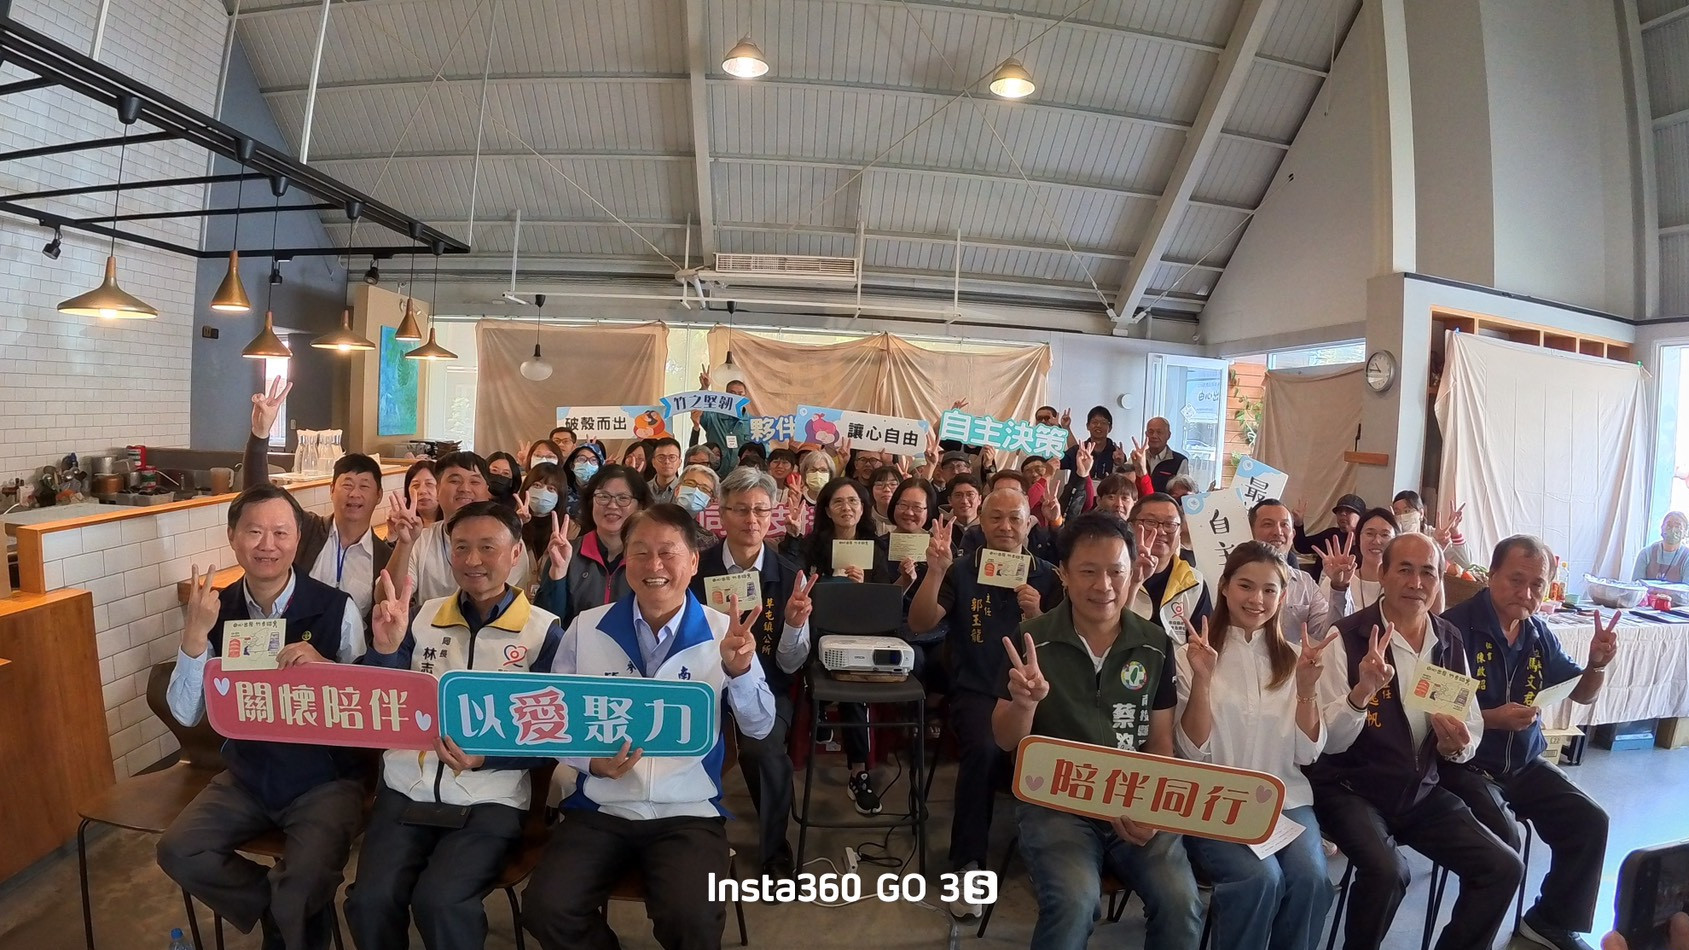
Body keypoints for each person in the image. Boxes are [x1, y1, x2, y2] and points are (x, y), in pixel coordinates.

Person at [522, 505, 776, 950]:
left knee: (692, 920)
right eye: (640, 552)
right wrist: (589, 762)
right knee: (546, 908)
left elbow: (759, 726)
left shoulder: (725, 633)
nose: (654, 565)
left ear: (693, 561)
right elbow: (555, 719)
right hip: (601, 809)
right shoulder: (587, 628)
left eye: (667, 552)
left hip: (688, 813)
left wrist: (739, 671)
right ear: (626, 560)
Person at [157, 485, 368, 950]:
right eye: (254, 532)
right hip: (248, 774)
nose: (267, 545)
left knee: (305, 878)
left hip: (325, 778)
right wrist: (194, 637)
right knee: (179, 849)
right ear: (232, 537)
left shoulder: (336, 607)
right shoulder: (216, 609)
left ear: (298, 539)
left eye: (280, 532)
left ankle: (289, 909)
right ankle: (276, 906)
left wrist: (325, 669)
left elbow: (366, 705)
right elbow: (186, 713)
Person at [347, 502, 563, 950]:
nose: (472, 560)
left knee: (441, 901)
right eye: (460, 547)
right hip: (406, 788)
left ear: (516, 553)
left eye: (487, 547)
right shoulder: (420, 617)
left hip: (490, 798)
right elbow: (379, 706)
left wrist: (487, 757)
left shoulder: (542, 632)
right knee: (369, 900)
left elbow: (555, 735)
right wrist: (384, 650)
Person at [991, 512, 1203, 950]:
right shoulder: (1031, 639)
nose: (1103, 585)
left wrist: (1152, 807)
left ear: (1132, 573)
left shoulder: (1154, 643)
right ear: (1064, 574)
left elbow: (1161, 742)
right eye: (1088, 571)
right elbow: (1005, 740)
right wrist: (1025, 703)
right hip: (1057, 803)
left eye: (1115, 572)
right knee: (1074, 903)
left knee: (1181, 903)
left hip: (1135, 797)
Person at [1306, 532, 1521, 950]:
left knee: (1502, 867)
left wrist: (1457, 747)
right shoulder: (1346, 637)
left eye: (1428, 573)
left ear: (1439, 581)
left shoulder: (1449, 640)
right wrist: (1361, 693)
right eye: (1404, 569)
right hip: (1349, 789)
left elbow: (1469, 724)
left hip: (1419, 790)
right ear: (1382, 574)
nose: (1416, 583)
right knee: (1389, 873)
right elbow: (1328, 744)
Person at [1440, 535, 1621, 950]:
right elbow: (1434, 717)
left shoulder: (1539, 633)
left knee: (1590, 821)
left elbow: (1582, 693)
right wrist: (1492, 719)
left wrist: (1596, 664)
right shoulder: (1453, 629)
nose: (1526, 593)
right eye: (1516, 580)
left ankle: (1549, 921)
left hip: (1524, 764)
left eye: (1537, 584)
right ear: (1491, 576)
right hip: (1465, 766)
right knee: (1504, 845)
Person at [908, 488, 1062, 917]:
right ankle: (968, 863)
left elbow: (1065, 646)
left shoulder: (1049, 576)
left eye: (1015, 518)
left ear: (1029, 524)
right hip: (977, 688)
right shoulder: (961, 570)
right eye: (996, 518)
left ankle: (1063, 857)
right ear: (981, 522)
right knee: (985, 749)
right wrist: (934, 572)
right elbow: (919, 623)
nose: (1005, 527)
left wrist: (1037, 615)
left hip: (1036, 693)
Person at [1174, 542, 1334, 950]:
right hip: (1214, 799)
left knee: (1312, 880)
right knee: (1261, 879)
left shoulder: (1296, 659)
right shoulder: (1191, 655)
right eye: (1245, 585)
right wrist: (1203, 679)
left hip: (1284, 798)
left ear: (1283, 596)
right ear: (1224, 586)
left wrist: (1306, 689)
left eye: (1269, 590)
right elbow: (1192, 751)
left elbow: (1307, 753)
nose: (1257, 599)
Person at [690, 467, 818, 879]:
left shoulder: (789, 575)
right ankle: (687, 839)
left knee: (764, 750)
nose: (751, 520)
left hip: (766, 687)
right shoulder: (695, 568)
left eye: (761, 510)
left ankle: (775, 850)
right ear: (721, 514)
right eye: (740, 510)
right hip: (702, 685)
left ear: (773, 514)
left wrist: (794, 624)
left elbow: (789, 665)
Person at [244, 377, 408, 620]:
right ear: (332, 489)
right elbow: (258, 498)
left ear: (378, 496)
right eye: (347, 484)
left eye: (364, 486)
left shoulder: (383, 555)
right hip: (293, 639)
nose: (354, 494)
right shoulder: (306, 530)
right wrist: (260, 434)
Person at [797, 476, 889, 814]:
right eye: (838, 501)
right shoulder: (812, 546)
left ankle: (858, 773)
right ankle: (819, 701)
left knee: (853, 685)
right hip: (817, 631)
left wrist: (863, 587)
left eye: (853, 501)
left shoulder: (874, 548)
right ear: (826, 509)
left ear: (863, 508)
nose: (846, 508)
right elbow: (798, 589)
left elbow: (883, 603)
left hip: (858, 634)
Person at [402, 451, 533, 603]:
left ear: (488, 491)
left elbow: (505, 603)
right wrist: (403, 544)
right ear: (437, 489)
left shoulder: (508, 541)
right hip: (431, 619)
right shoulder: (420, 540)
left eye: (474, 482)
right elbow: (390, 597)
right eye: (455, 481)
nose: (465, 488)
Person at [536, 463, 651, 627]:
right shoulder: (566, 554)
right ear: (591, 502)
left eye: (623, 498)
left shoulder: (649, 559)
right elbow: (547, 624)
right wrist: (557, 575)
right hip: (576, 643)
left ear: (639, 506)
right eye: (603, 496)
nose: (612, 505)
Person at [1250, 498, 1344, 644]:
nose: (1278, 532)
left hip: (1289, 659)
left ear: (1293, 535)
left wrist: (1339, 587)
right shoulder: (1234, 578)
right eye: (1268, 524)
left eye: (1284, 525)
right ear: (1250, 531)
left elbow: (1328, 632)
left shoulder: (1305, 583)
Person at [1128, 493, 1211, 644]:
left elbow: (1202, 641)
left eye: (1170, 524)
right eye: (1150, 522)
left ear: (1180, 532)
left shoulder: (1193, 582)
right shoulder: (1112, 574)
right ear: (1131, 526)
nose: (1160, 531)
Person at [1321, 508, 1399, 617]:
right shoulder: (1336, 580)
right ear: (1358, 538)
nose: (1377, 541)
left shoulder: (1401, 585)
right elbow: (1324, 625)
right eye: (1370, 533)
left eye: (1385, 535)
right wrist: (1339, 587)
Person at [694, 369, 757, 478]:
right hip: (714, 476)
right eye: (732, 393)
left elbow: (763, 452)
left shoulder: (754, 423)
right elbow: (700, 410)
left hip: (742, 478)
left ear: (745, 397)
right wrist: (704, 388)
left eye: (740, 394)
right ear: (726, 395)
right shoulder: (713, 417)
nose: (736, 397)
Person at [1294, 493, 1364, 580]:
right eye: (1339, 511)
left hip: (1347, 586)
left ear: (1361, 517)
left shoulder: (1365, 541)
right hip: (1319, 585)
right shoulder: (1330, 534)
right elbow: (1301, 546)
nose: (1342, 514)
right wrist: (1298, 523)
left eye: (1348, 511)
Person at [1060, 406, 1123, 483]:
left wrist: (1119, 464)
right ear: (1087, 426)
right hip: (1079, 490)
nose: (1098, 425)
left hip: (1106, 490)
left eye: (1103, 422)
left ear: (1110, 428)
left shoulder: (1117, 454)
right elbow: (1058, 462)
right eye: (1095, 422)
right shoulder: (1078, 450)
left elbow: (1124, 481)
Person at [1137, 416, 1188, 494]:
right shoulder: (1139, 457)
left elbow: (1182, 493)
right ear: (1146, 434)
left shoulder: (1180, 461)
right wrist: (1120, 462)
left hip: (1166, 501)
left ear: (1168, 435)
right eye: (1151, 432)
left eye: (1159, 432)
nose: (1154, 436)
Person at [1634, 511, 1689, 583]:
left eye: (1677, 526)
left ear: (1685, 532)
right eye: (1669, 525)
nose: (1672, 530)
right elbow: (1636, 585)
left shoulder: (1687, 558)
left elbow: (1686, 588)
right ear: (1662, 528)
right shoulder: (1646, 553)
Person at [562, 443, 605, 520]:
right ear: (572, 465)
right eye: (582, 459)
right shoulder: (562, 492)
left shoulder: (604, 494)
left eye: (593, 460)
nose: (587, 464)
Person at [647, 437, 685, 504]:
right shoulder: (643, 489)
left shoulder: (685, 491)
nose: (667, 462)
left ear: (679, 462)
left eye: (672, 457)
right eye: (661, 457)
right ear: (653, 462)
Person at [867, 465, 902, 536]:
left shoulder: (907, 518)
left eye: (893, 484)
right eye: (879, 485)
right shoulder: (863, 518)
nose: (887, 489)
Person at [404, 460, 440, 527]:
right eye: (415, 485)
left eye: (429, 484)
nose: (422, 491)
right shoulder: (406, 523)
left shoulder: (453, 525)